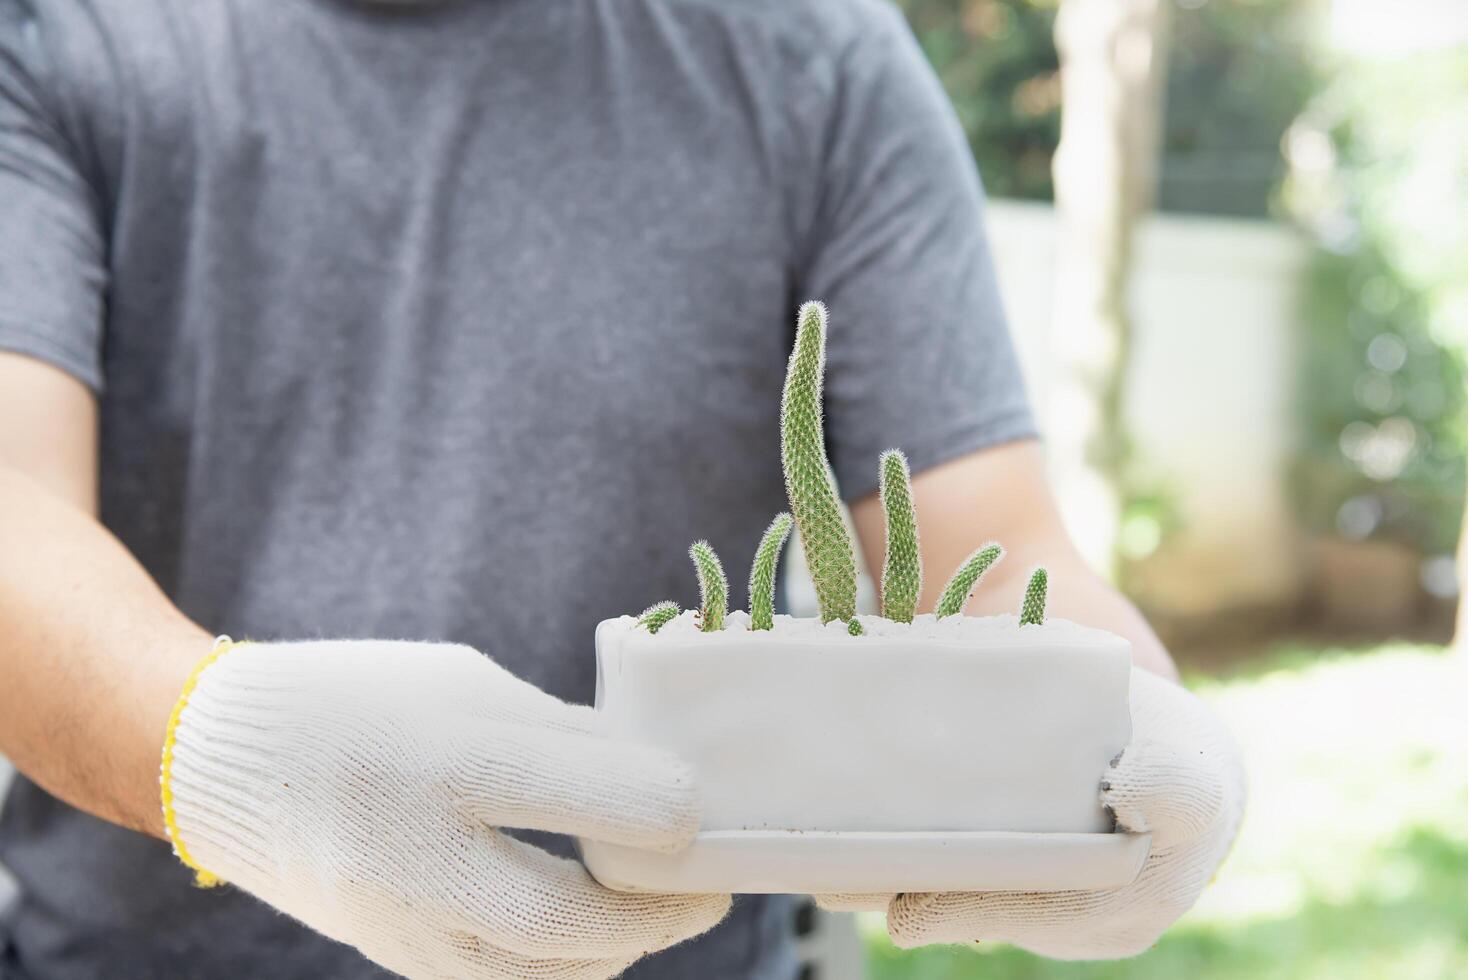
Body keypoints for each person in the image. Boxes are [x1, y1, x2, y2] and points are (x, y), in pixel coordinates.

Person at [0, 0, 1244, 977]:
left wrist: (1126, 719)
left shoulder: (810, 57)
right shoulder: (58, 32)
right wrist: (226, 753)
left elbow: (1000, 539)